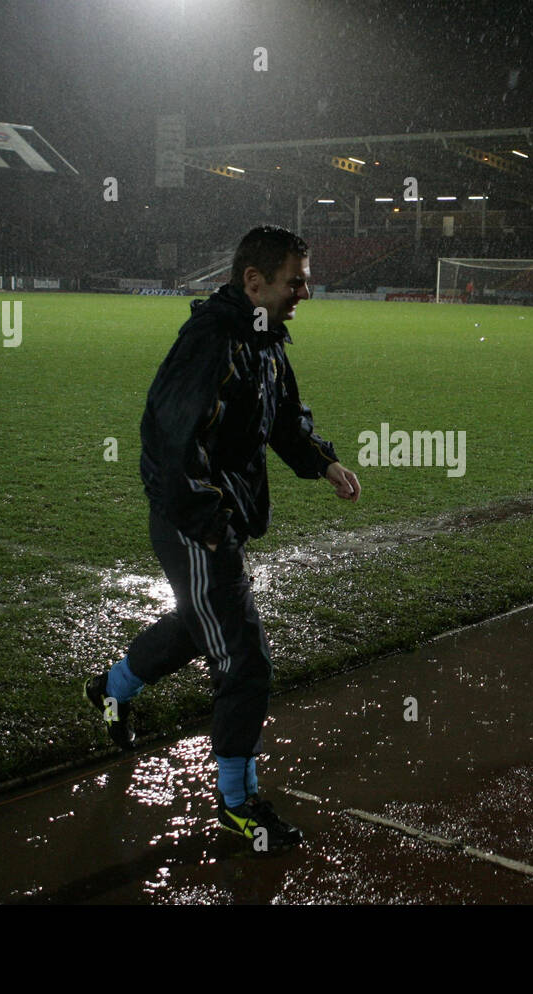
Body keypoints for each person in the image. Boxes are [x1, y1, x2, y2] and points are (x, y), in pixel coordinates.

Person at [84, 225, 360, 850]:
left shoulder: (262, 341)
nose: (305, 292)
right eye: (296, 280)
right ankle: (238, 802)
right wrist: (207, 524)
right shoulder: (210, 340)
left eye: (305, 279)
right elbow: (169, 439)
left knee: (194, 625)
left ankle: (110, 690)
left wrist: (323, 462)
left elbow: (285, 418)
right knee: (245, 659)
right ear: (254, 282)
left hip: (217, 516)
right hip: (194, 519)